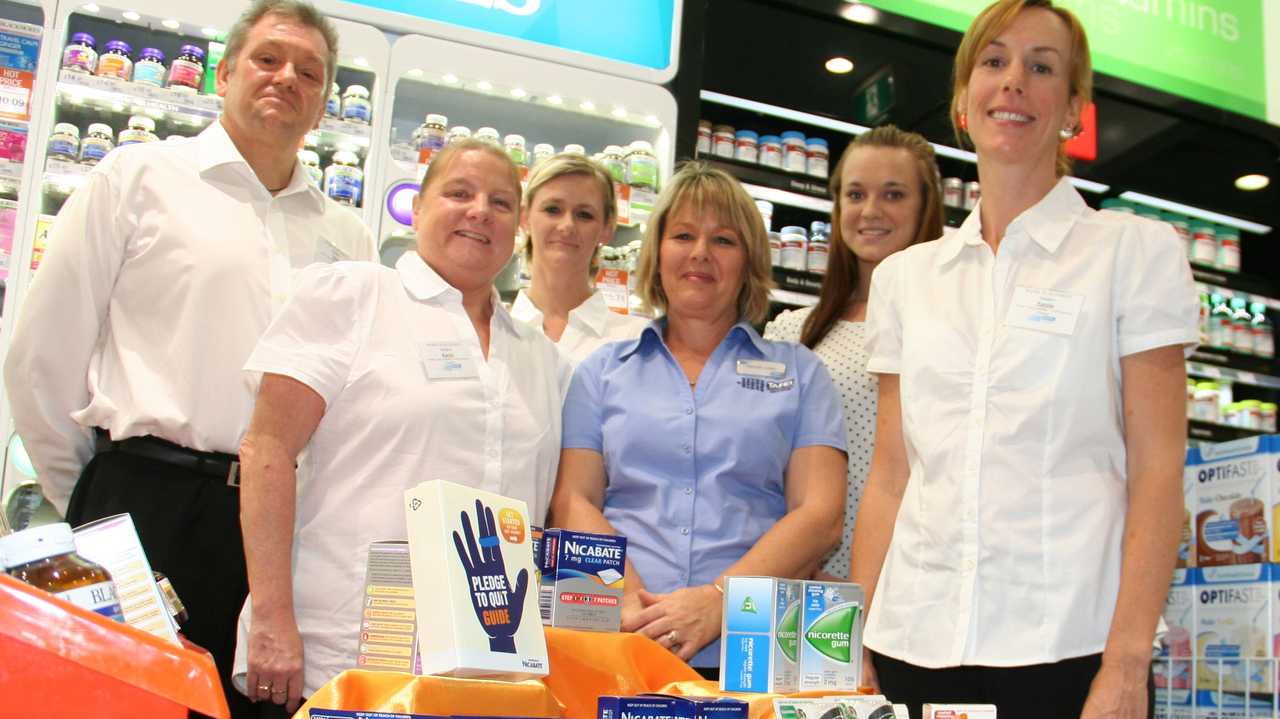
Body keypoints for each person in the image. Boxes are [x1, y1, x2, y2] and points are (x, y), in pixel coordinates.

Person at [2, 1, 373, 715]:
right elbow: (40, 360)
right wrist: (98, 499)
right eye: (268, 59)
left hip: (282, 530)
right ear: (226, 71)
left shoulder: (346, 234)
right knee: (123, 705)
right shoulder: (136, 178)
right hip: (145, 503)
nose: (286, 78)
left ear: (324, 105)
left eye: (309, 72)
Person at [849, 2, 1198, 717]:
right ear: (963, 99)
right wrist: (854, 642)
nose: (1014, 82)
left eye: (1042, 68)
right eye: (994, 61)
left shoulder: (1134, 255)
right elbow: (890, 476)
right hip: (915, 642)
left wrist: (1127, 662)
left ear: (1073, 108)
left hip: (1069, 654)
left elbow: (1159, 470)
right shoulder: (906, 279)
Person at [235, 138, 571, 714]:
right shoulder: (354, 295)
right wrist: (270, 618)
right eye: (459, 193)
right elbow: (266, 448)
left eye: (500, 202)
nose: (479, 211)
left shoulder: (544, 360)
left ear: (518, 229)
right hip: (341, 657)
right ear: (416, 208)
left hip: (485, 673)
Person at [549, 162, 848, 675]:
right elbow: (573, 499)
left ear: (749, 259)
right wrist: (631, 600)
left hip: (753, 649)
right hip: (619, 640)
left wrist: (718, 601)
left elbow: (820, 515)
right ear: (657, 253)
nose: (700, 253)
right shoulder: (601, 371)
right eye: (683, 235)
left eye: (724, 240)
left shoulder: (800, 372)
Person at [763, 125, 943, 580]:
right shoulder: (792, 332)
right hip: (802, 588)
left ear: (926, 207)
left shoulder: (952, 329)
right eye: (856, 194)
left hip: (913, 587)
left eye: (894, 194)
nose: (871, 211)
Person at [511, 153, 647, 363]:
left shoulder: (636, 342)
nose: (567, 226)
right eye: (552, 209)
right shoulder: (493, 330)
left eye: (584, 214)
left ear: (606, 229)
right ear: (524, 217)